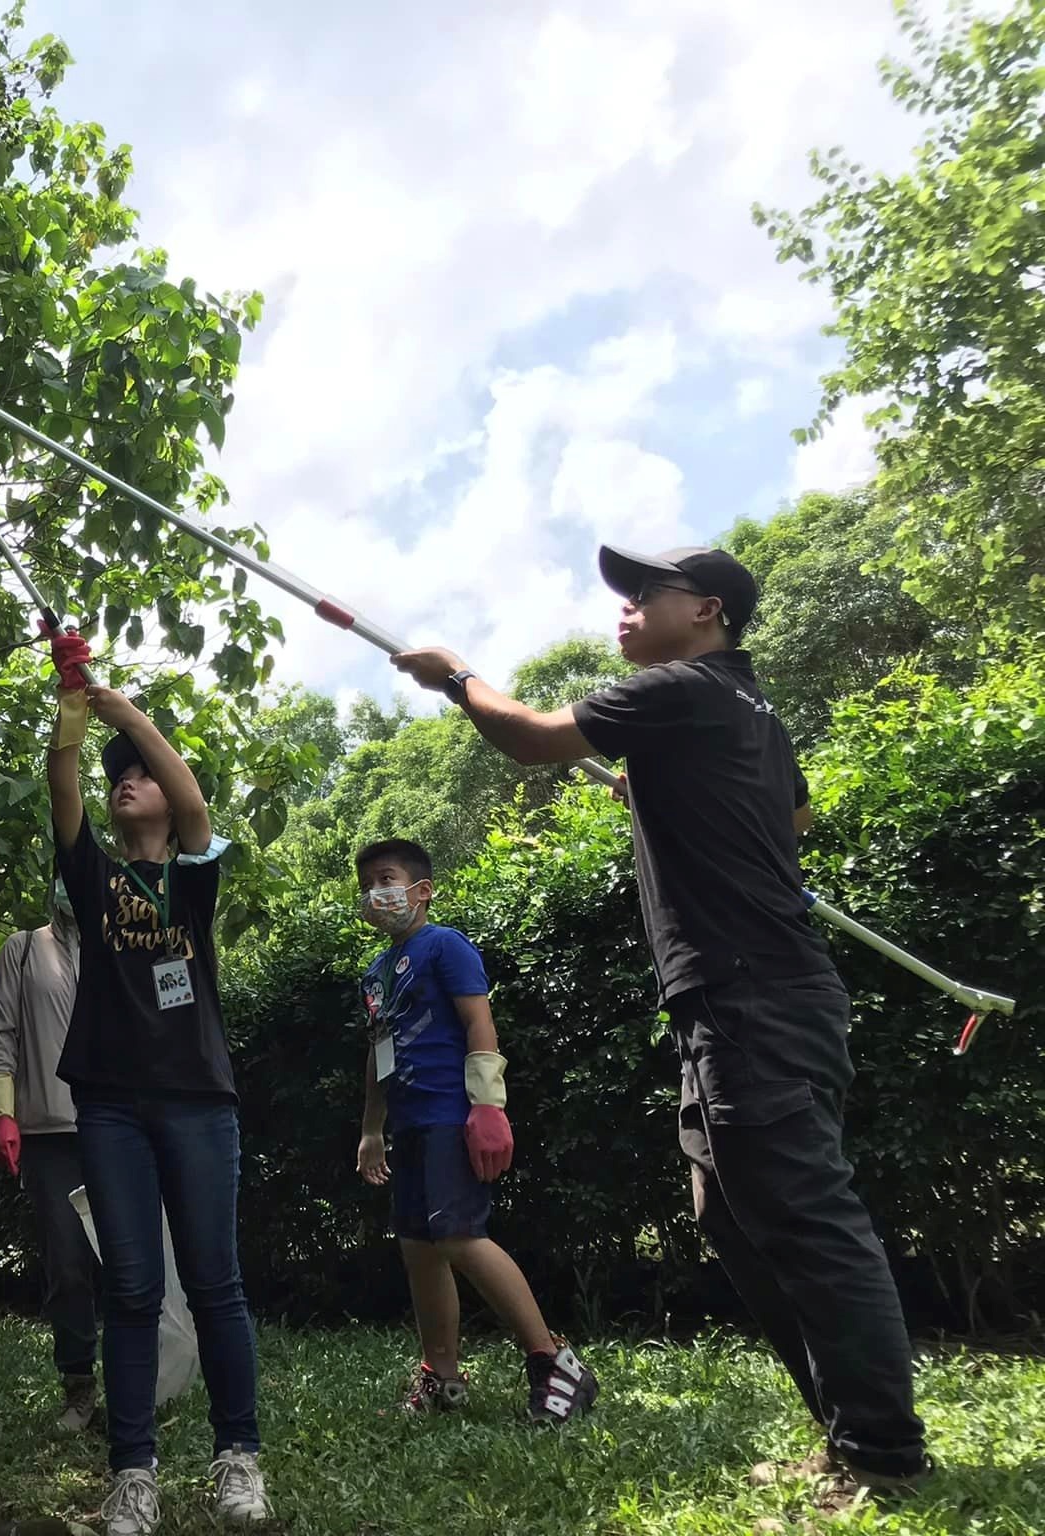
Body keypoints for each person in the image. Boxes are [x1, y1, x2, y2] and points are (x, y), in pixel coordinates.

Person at [390, 544, 930, 1494]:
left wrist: (456, 678)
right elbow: (792, 820)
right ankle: (847, 1431)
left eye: (647, 596)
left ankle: (883, 1454)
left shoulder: (684, 688)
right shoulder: (744, 709)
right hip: (743, 993)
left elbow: (526, 734)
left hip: (748, 988)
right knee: (726, 1207)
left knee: (808, 1219)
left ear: (707, 610)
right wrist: (670, 787)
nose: (627, 610)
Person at [43, 628, 270, 1536]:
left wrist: (119, 709)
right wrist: (70, 707)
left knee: (216, 1283)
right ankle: (132, 1474)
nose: (124, 782)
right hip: (109, 1103)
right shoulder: (95, 878)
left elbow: (193, 796)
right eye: (116, 776)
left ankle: (238, 1460)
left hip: (198, 1103)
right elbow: (64, 796)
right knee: (131, 1289)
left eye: (137, 775)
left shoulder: (195, 877)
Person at [352, 837, 598, 1422]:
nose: (374, 894)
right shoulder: (376, 973)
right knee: (419, 1250)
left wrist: (487, 1106)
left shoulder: (446, 945)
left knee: (458, 1237)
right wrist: (371, 1130)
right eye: (366, 885)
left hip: (447, 1115)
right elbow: (377, 1053)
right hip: (408, 1126)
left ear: (421, 890)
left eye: (385, 878)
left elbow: (477, 1020)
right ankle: (442, 1377)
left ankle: (554, 1361)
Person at [0, 880, 103, 1431]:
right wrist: (2, 1112)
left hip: (119, 1126)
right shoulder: (24, 948)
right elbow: (2, 1034)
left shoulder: (116, 943)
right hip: (49, 1133)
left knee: (133, 1260)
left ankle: (142, 1378)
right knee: (69, 1263)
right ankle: (78, 1385)